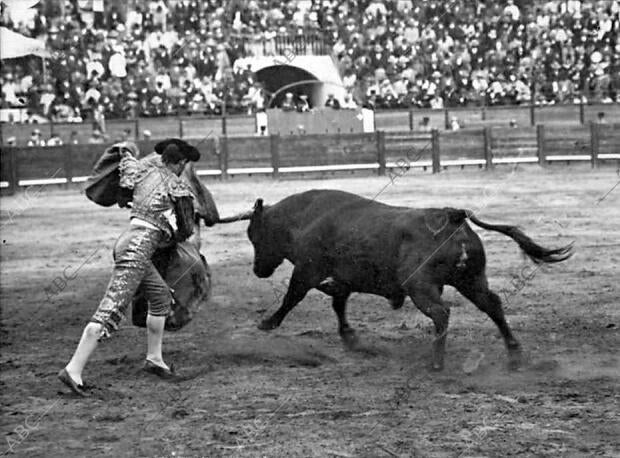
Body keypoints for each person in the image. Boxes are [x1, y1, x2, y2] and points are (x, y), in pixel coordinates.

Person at [58, 139, 201, 396]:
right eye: (184, 165)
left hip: (128, 241)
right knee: (111, 309)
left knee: (159, 298)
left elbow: (124, 194)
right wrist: (171, 233)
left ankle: (154, 359)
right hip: (137, 249)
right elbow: (186, 229)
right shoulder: (176, 185)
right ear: (180, 163)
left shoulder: (142, 170)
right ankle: (73, 369)